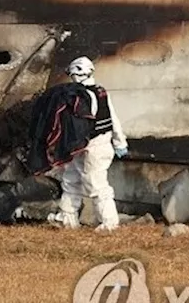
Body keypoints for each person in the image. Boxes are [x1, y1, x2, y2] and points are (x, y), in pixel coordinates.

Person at [28, 57, 127, 231]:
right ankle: (67, 218)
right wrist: (120, 142)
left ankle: (110, 223)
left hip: (93, 144)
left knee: (96, 184)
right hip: (86, 144)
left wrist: (119, 142)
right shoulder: (99, 92)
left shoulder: (76, 95)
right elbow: (113, 119)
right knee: (71, 179)